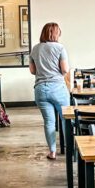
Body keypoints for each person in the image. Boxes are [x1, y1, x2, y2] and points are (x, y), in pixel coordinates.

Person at [30, 22, 70, 160]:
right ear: (55, 33)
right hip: (58, 88)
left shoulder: (35, 49)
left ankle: (52, 151)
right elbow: (65, 69)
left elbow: (32, 71)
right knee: (66, 119)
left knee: (49, 122)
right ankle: (70, 150)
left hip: (40, 89)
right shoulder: (60, 48)